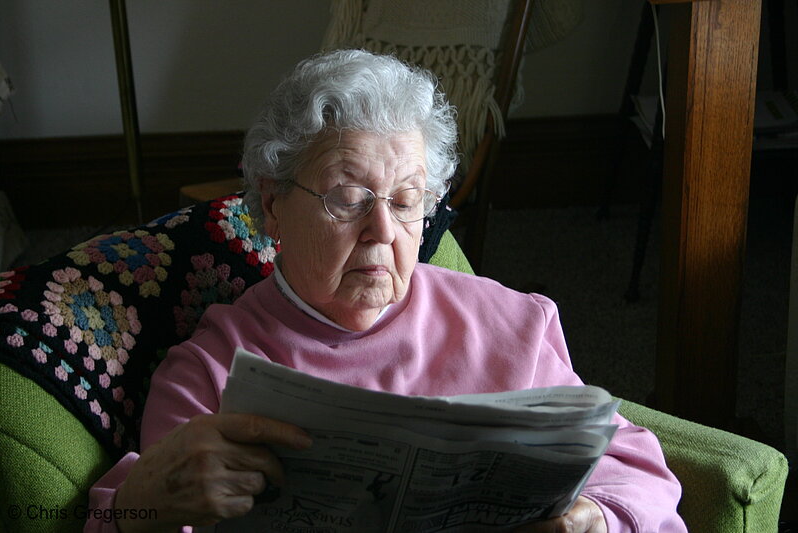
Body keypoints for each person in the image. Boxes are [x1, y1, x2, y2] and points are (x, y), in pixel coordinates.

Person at [87, 49, 687, 533]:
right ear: (272, 205)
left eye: (406, 202)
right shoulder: (214, 373)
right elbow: (136, 512)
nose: (383, 233)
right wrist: (140, 507)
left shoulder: (511, 326)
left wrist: (594, 520)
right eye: (347, 199)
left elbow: (637, 469)